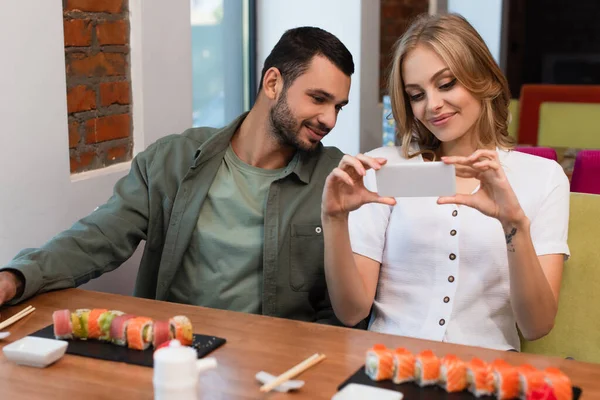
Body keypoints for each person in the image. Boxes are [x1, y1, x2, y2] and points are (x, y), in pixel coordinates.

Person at [0, 27, 354, 325]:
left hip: (274, 367)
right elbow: (98, 237)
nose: (329, 120)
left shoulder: (336, 179)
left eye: (337, 106)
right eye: (318, 98)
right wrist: (16, 278)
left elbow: (339, 309)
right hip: (176, 352)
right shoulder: (172, 159)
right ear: (273, 83)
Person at [320, 14, 570, 350]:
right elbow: (352, 312)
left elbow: (537, 325)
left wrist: (514, 226)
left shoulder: (541, 177)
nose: (432, 105)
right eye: (416, 94)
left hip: (488, 374)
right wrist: (335, 220)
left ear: (483, 78)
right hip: (388, 366)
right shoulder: (385, 168)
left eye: (447, 83)